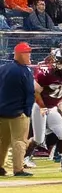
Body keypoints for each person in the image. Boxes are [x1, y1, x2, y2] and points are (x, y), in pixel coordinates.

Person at [32, 47, 62, 172]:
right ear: (55, 62)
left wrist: (60, 103)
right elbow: (36, 92)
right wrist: (42, 107)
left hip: (52, 107)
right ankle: (24, 158)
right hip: (39, 106)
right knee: (38, 139)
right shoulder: (44, 73)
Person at [0, 42, 35, 177]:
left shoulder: (2, 68)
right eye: (27, 53)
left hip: (2, 111)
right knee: (19, 141)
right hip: (18, 113)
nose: (29, 55)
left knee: (3, 141)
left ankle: (0, 166)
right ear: (20, 54)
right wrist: (27, 111)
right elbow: (29, 92)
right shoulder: (25, 71)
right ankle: (18, 169)